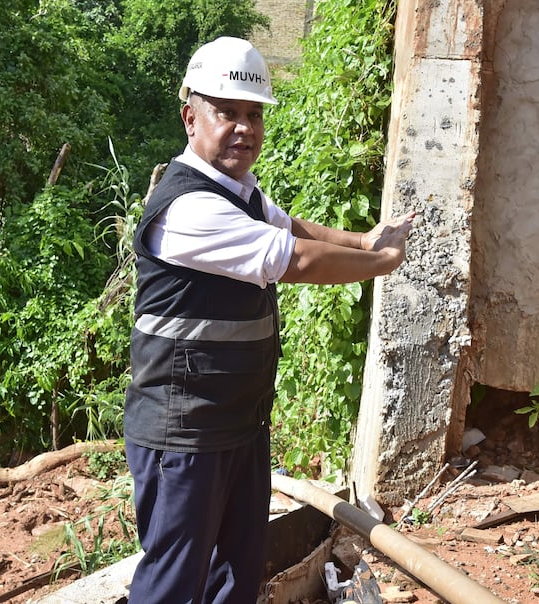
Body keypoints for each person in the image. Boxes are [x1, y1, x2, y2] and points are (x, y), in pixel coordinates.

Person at [124, 36, 415, 604]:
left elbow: (294, 229)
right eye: (226, 112)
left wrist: (362, 238)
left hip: (237, 424)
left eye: (253, 115)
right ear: (191, 117)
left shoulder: (239, 193)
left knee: (236, 574)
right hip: (184, 430)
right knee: (173, 584)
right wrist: (380, 262)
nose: (244, 127)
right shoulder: (189, 207)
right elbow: (295, 259)